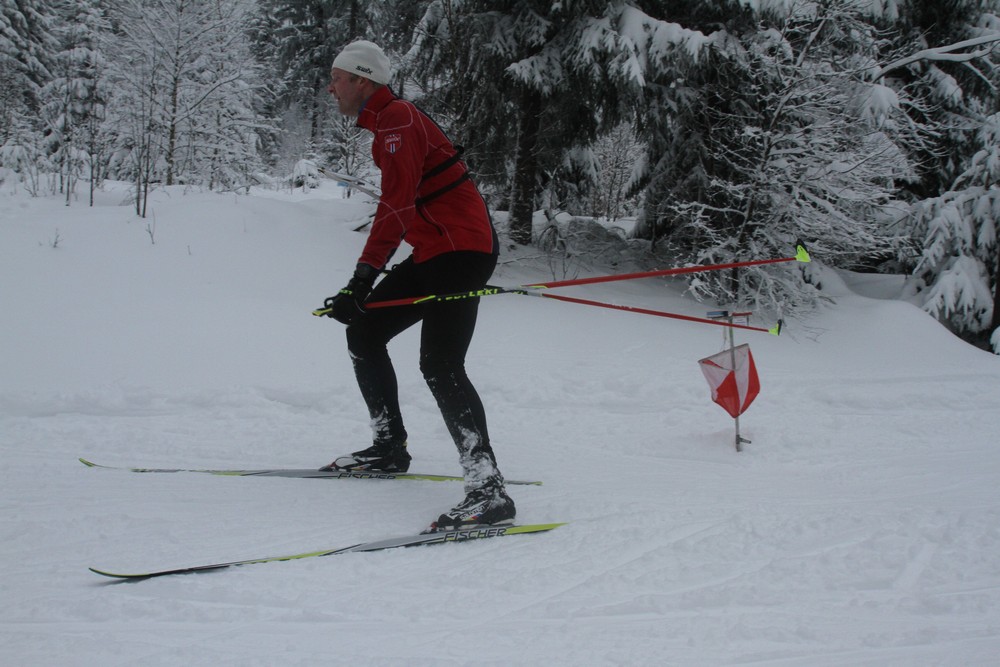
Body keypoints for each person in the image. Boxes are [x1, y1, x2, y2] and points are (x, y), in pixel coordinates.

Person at [319, 40, 514, 532]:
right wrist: (361, 287)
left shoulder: (398, 121)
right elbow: (402, 207)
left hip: (462, 250)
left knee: (440, 362)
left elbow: (396, 207)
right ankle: (389, 447)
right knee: (364, 332)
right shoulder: (386, 126)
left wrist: (362, 277)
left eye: (338, 78)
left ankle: (488, 490)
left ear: (363, 81)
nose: (332, 86)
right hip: (433, 251)